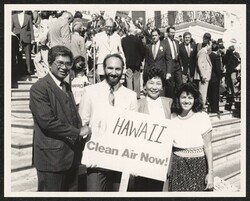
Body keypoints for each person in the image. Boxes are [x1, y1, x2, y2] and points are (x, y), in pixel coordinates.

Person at [29, 46, 90, 191]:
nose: (64, 67)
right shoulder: (39, 88)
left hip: (71, 158)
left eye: (68, 64)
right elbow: (48, 122)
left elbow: (73, 115)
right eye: (60, 63)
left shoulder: (66, 86)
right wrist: (78, 132)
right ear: (50, 63)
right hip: (51, 161)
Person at [78, 53, 137, 191]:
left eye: (117, 69)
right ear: (104, 69)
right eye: (110, 68)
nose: (113, 72)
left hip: (120, 159)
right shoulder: (90, 91)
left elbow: (133, 129)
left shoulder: (131, 96)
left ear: (122, 70)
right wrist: (87, 154)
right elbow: (82, 124)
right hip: (96, 161)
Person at [168, 82, 214, 191]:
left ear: (195, 99)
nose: (186, 101)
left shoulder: (202, 117)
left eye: (190, 97)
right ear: (178, 98)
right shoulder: (172, 117)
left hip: (198, 167)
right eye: (183, 97)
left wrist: (210, 173)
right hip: (178, 167)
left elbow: (208, 147)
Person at [133, 67, 172, 191]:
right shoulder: (137, 105)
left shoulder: (169, 104)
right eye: (151, 82)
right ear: (144, 85)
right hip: (143, 160)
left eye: (158, 83)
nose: (154, 87)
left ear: (162, 87)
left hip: (163, 160)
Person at [122, 27, 145, 99]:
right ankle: (137, 95)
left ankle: (129, 95)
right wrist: (141, 59)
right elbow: (142, 51)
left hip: (128, 62)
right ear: (134, 32)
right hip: (137, 62)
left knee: (128, 78)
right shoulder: (138, 39)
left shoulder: (123, 40)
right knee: (136, 79)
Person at [144, 28, 168, 96]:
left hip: (161, 72)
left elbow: (168, 60)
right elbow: (147, 61)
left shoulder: (164, 46)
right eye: (153, 35)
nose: (154, 37)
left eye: (155, 35)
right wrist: (145, 73)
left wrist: (168, 72)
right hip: (151, 73)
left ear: (159, 36)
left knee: (161, 93)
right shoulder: (148, 47)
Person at [12, 10, 35, 75]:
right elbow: (11, 28)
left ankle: (29, 70)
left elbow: (31, 29)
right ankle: (20, 70)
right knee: (18, 55)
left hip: (27, 37)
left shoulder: (28, 17)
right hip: (17, 38)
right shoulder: (13, 17)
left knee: (28, 55)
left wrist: (32, 38)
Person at [164, 26, 183, 98]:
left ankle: (178, 99)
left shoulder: (176, 42)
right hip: (169, 65)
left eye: (174, 33)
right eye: (171, 33)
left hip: (177, 65)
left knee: (180, 83)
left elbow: (179, 54)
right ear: (168, 33)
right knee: (170, 85)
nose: (173, 34)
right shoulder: (164, 42)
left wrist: (181, 65)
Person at [194, 39, 212, 107]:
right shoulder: (203, 52)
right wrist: (203, 75)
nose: (211, 46)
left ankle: (201, 107)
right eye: (210, 45)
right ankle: (201, 108)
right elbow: (200, 64)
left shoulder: (203, 52)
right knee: (202, 94)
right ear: (207, 45)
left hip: (204, 76)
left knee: (203, 93)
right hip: (203, 77)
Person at [208, 41, 223, 114]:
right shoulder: (216, 56)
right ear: (217, 49)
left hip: (210, 77)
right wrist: (220, 76)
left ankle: (211, 107)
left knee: (210, 93)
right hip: (215, 77)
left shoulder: (209, 55)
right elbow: (217, 68)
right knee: (215, 94)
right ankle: (215, 109)